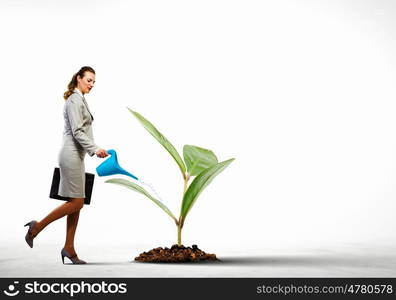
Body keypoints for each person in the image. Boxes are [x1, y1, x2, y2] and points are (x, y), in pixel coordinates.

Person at [24, 66, 108, 264]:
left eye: (94, 81)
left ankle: (69, 248)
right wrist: (95, 149)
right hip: (70, 154)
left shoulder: (80, 99)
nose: (92, 84)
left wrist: (92, 149)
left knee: (77, 203)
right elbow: (78, 131)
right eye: (89, 80)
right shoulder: (73, 100)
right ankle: (37, 227)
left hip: (77, 155)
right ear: (78, 78)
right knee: (77, 201)